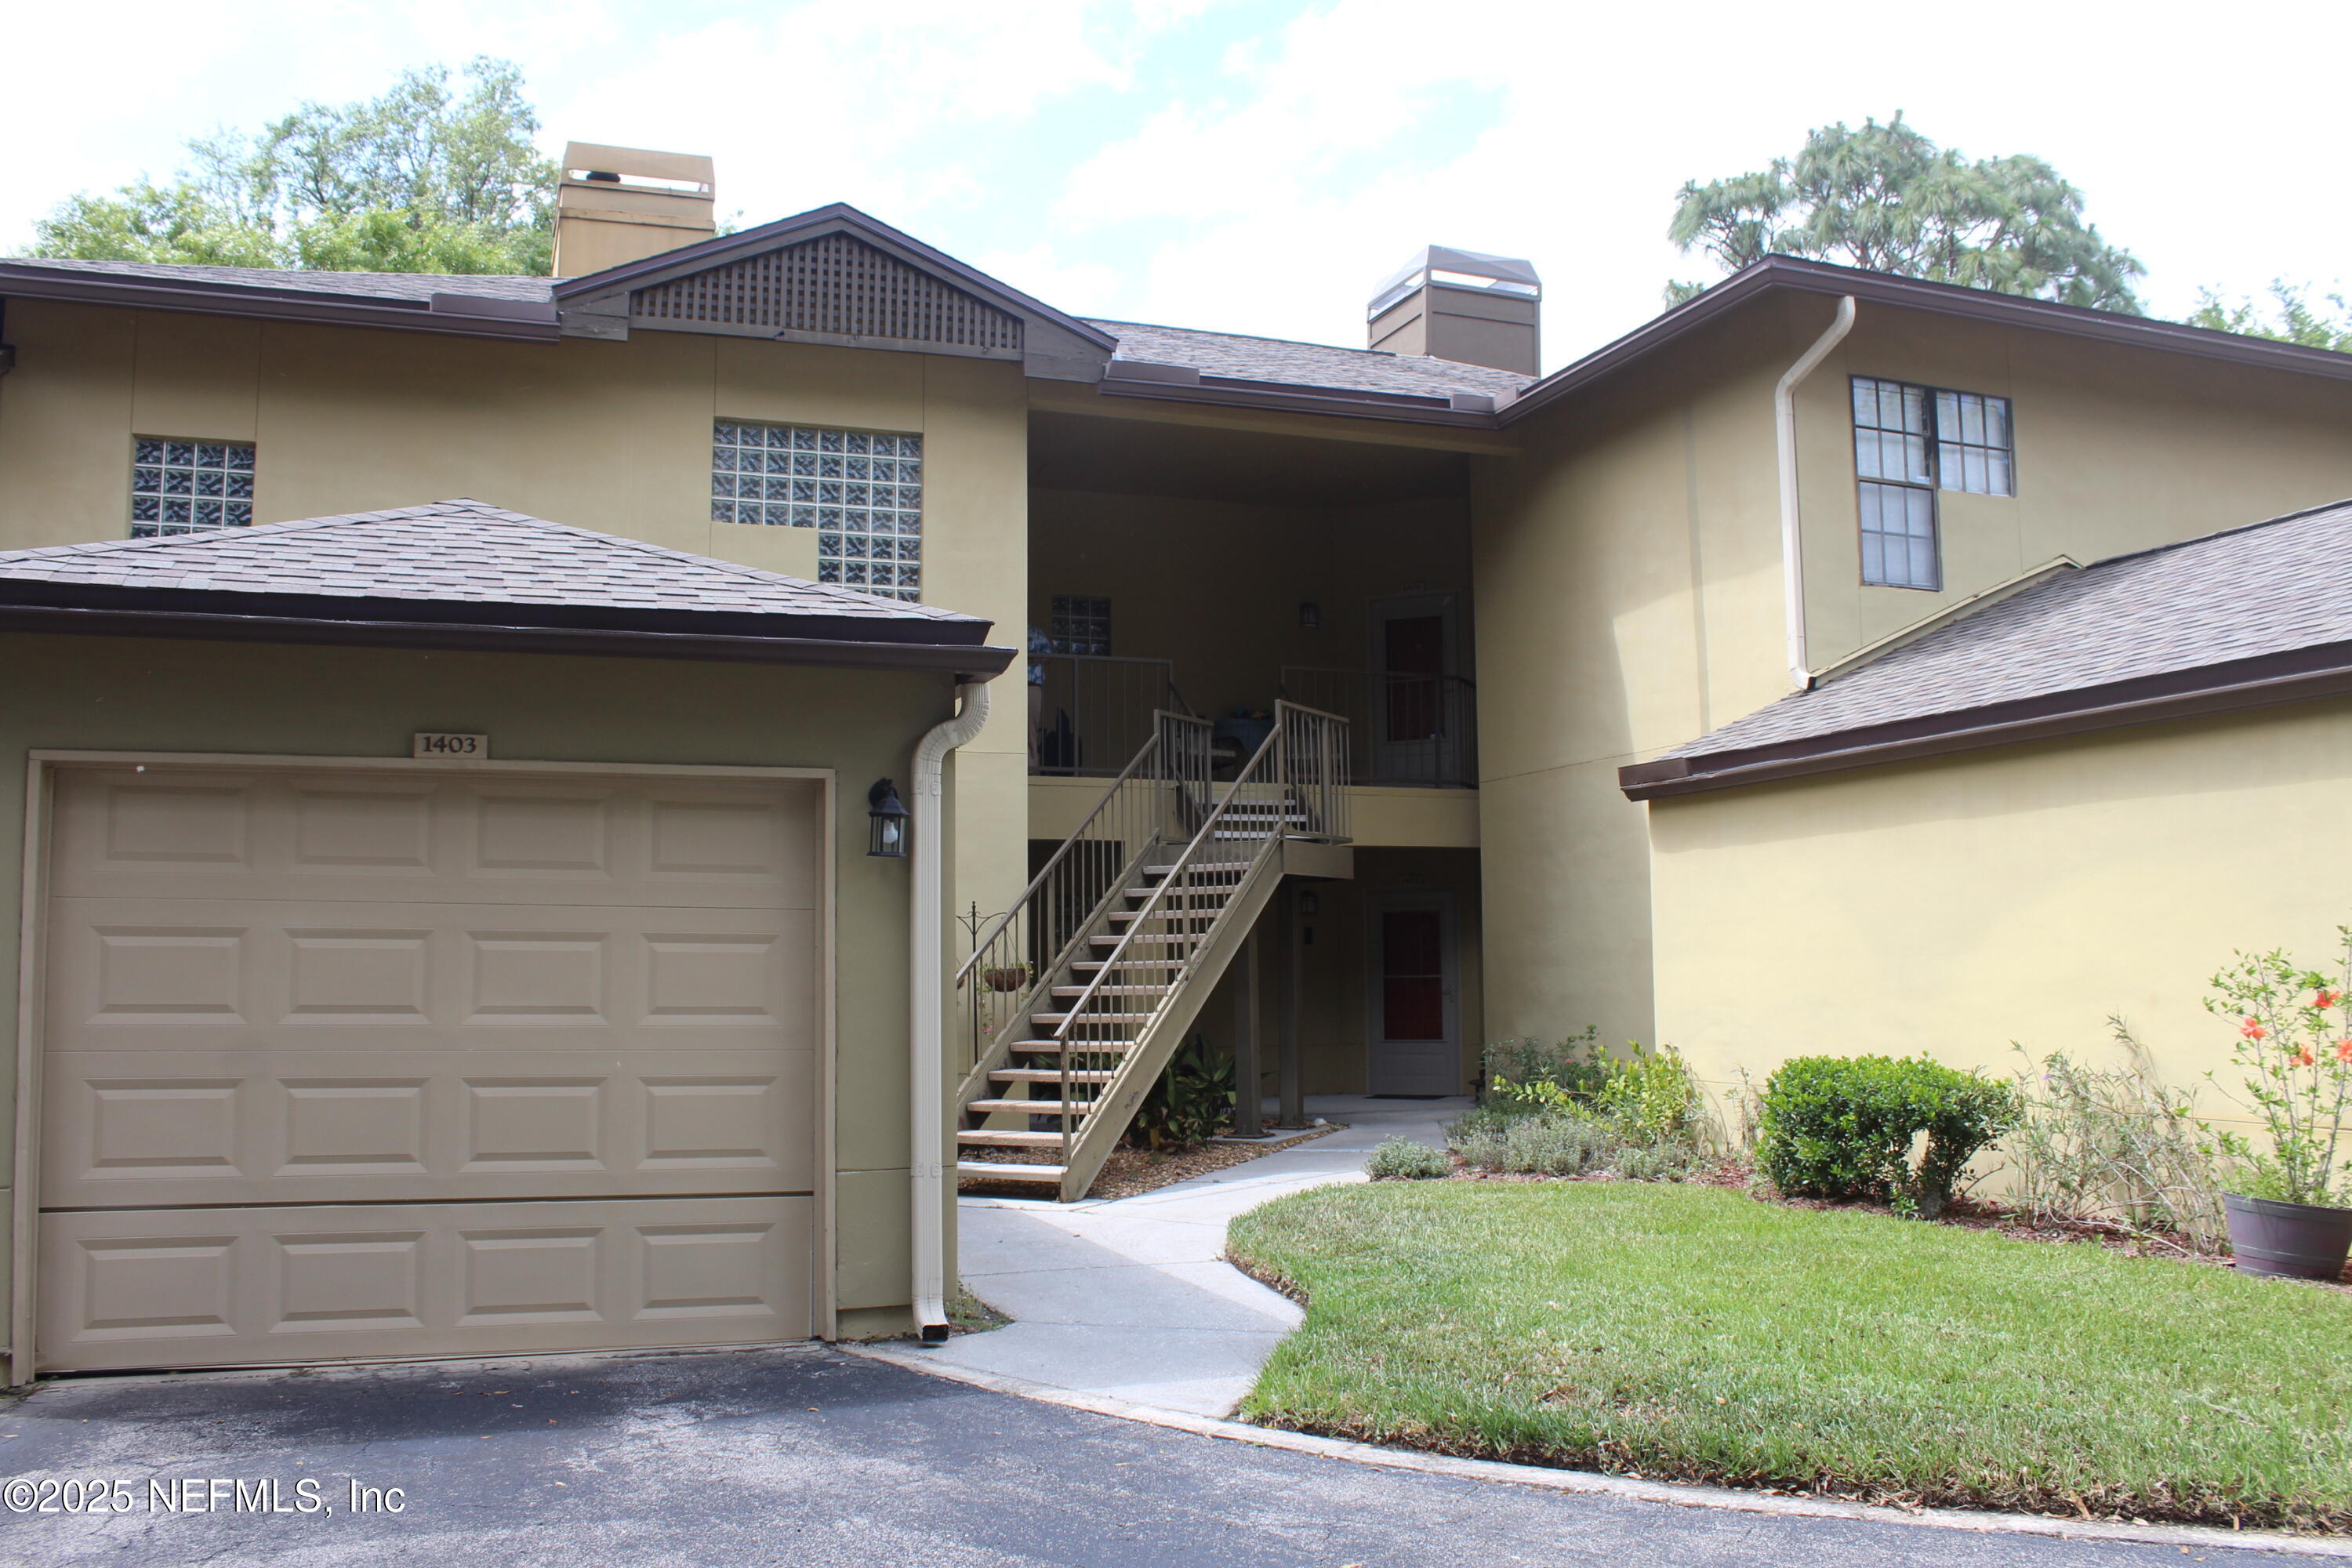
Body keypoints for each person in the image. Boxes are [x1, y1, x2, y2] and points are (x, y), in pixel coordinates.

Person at [1027, 625, 1051, 771]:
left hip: (1031, 684)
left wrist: (1034, 658)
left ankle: (1031, 767)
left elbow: (1049, 655)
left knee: (1030, 728)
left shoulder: (1036, 632)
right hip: (1007, 683)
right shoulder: (1008, 627)